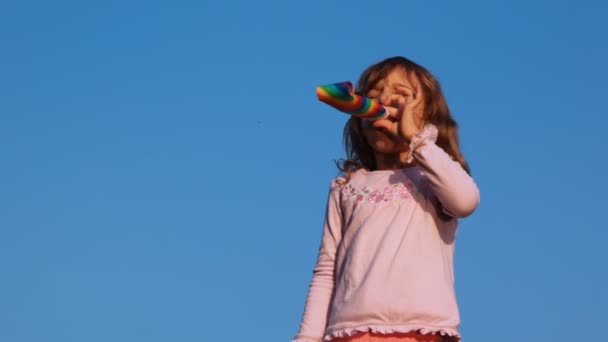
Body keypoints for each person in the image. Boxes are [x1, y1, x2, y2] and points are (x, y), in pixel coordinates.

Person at [291, 56, 480, 342]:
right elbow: (327, 270)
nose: (384, 108)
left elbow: (465, 202)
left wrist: (418, 141)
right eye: (375, 99)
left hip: (422, 331)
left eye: (401, 99)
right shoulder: (347, 186)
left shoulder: (433, 178)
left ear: (427, 116)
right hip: (351, 332)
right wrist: (306, 338)